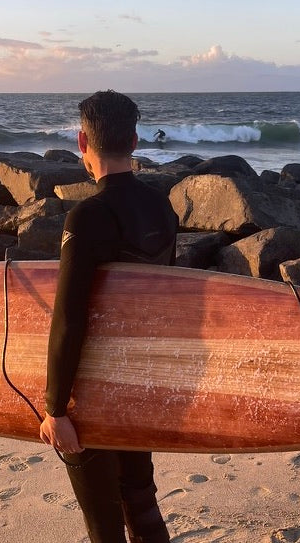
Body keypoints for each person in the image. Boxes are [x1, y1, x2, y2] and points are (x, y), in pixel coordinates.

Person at [39, 90, 177, 543]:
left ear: (82, 142)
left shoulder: (87, 216)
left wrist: (57, 409)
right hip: (139, 379)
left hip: (92, 389)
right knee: (140, 497)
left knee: (103, 519)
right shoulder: (161, 206)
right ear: (135, 141)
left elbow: (69, 317)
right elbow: (161, 301)